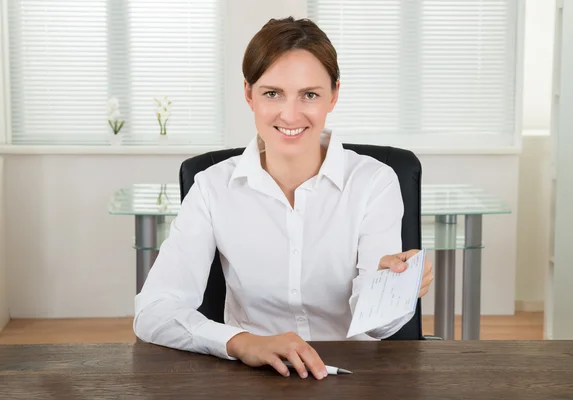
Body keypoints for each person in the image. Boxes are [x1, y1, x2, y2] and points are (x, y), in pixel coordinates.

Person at [133, 16, 434, 381]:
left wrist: (393, 290)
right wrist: (243, 342)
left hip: (351, 375)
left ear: (334, 95)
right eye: (272, 93)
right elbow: (154, 312)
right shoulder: (212, 186)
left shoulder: (374, 181)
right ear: (249, 94)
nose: (290, 115)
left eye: (309, 94)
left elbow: (380, 328)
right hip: (251, 374)